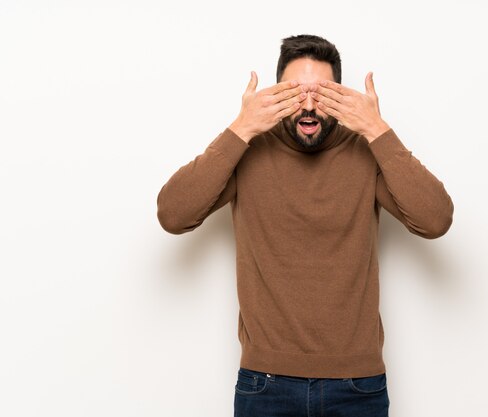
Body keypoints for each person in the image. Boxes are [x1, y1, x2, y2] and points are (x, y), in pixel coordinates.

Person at [156, 34, 454, 417]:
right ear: (276, 93)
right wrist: (240, 129)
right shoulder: (249, 149)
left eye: (323, 94)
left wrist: (378, 130)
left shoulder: (364, 149)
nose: (309, 106)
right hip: (265, 383)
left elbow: (436, 219)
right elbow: (173, 214)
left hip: (357, 385)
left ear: (341, 95)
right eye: (296, 93)